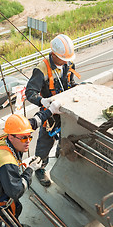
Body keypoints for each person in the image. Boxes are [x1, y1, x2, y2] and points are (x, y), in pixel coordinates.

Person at [0, 100, 61, 227]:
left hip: (2, 191)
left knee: (16, 208)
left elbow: (34, 122)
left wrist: (50, 111)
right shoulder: (5, 161)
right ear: (11, 136)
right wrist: (30, 170)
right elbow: (16, 191)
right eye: (23, 138)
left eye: (29, 137)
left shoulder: (13, 135)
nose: (28, 141)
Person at [25, 34, 80, 187]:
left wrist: (77, 89)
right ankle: (40, 168)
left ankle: (60, 155)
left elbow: (70, 82)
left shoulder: (69, 64)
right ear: (55, 55)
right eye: (64, 58)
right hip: (49, 114)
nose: (67, 61)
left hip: (65, 111)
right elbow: (30, 92)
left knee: (65, 136)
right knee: (45, 141)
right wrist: (42, 101)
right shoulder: (41, 69)